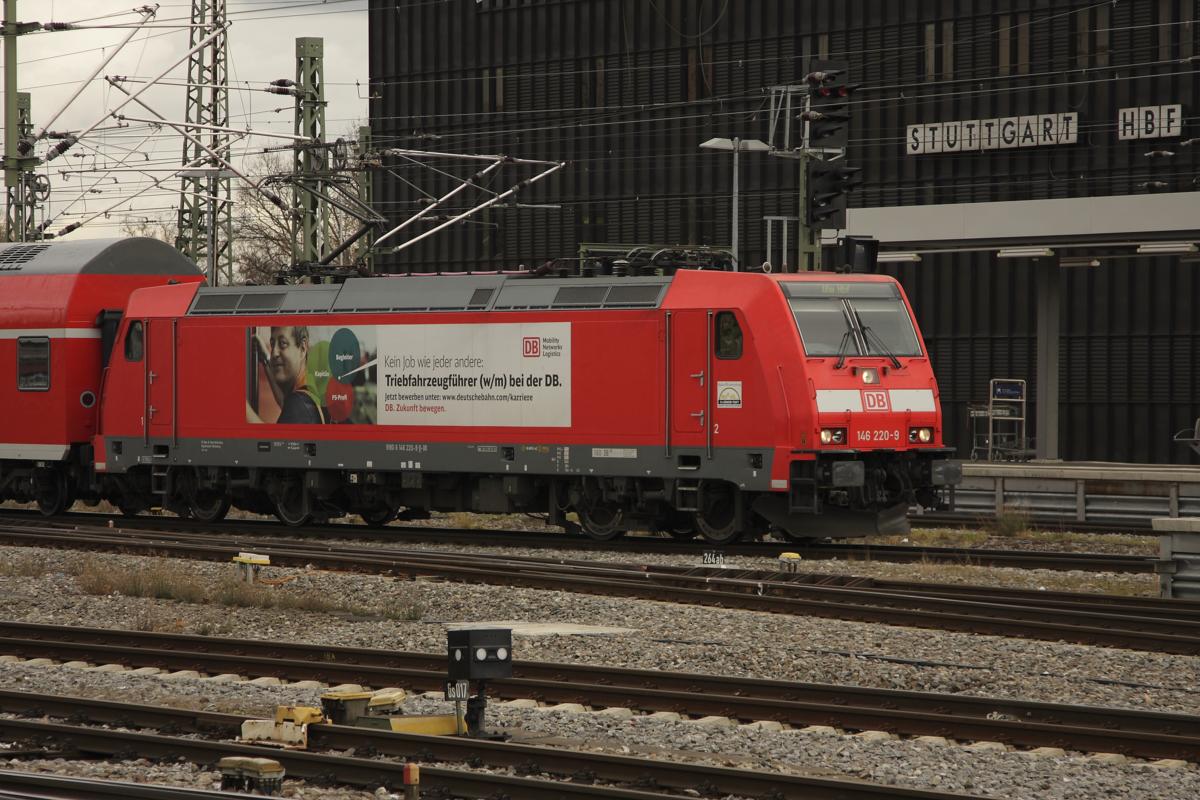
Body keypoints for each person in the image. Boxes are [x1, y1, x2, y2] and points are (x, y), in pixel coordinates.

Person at [256, 326, 323, 424]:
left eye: (283, 343)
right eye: (272, 344)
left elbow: (270, 439)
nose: (274, 353)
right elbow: (286, 403)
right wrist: (266, 359)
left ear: (303, 348)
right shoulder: (310, 394)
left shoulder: (299, 405)